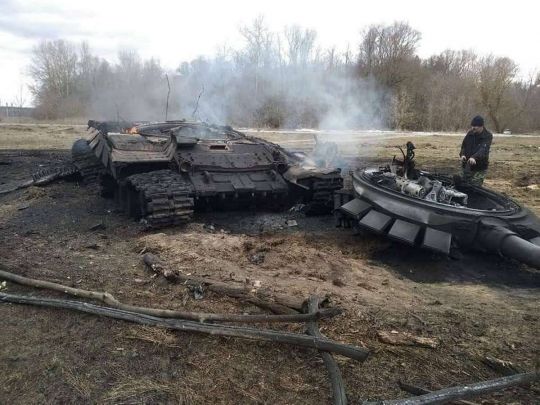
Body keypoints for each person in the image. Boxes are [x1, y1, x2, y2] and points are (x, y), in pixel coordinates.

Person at [459, 115, 493, 186]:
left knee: (474, 187)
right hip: (466, 166)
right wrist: (462, 154)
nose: (473, 128)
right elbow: (464, 146)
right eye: (472, 126)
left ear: (481, 126)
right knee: (461, 185)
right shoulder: (470, 133)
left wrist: (474, 157)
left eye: (475, 126)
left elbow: (483, 149)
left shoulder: (487, 136)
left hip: (479, 168)